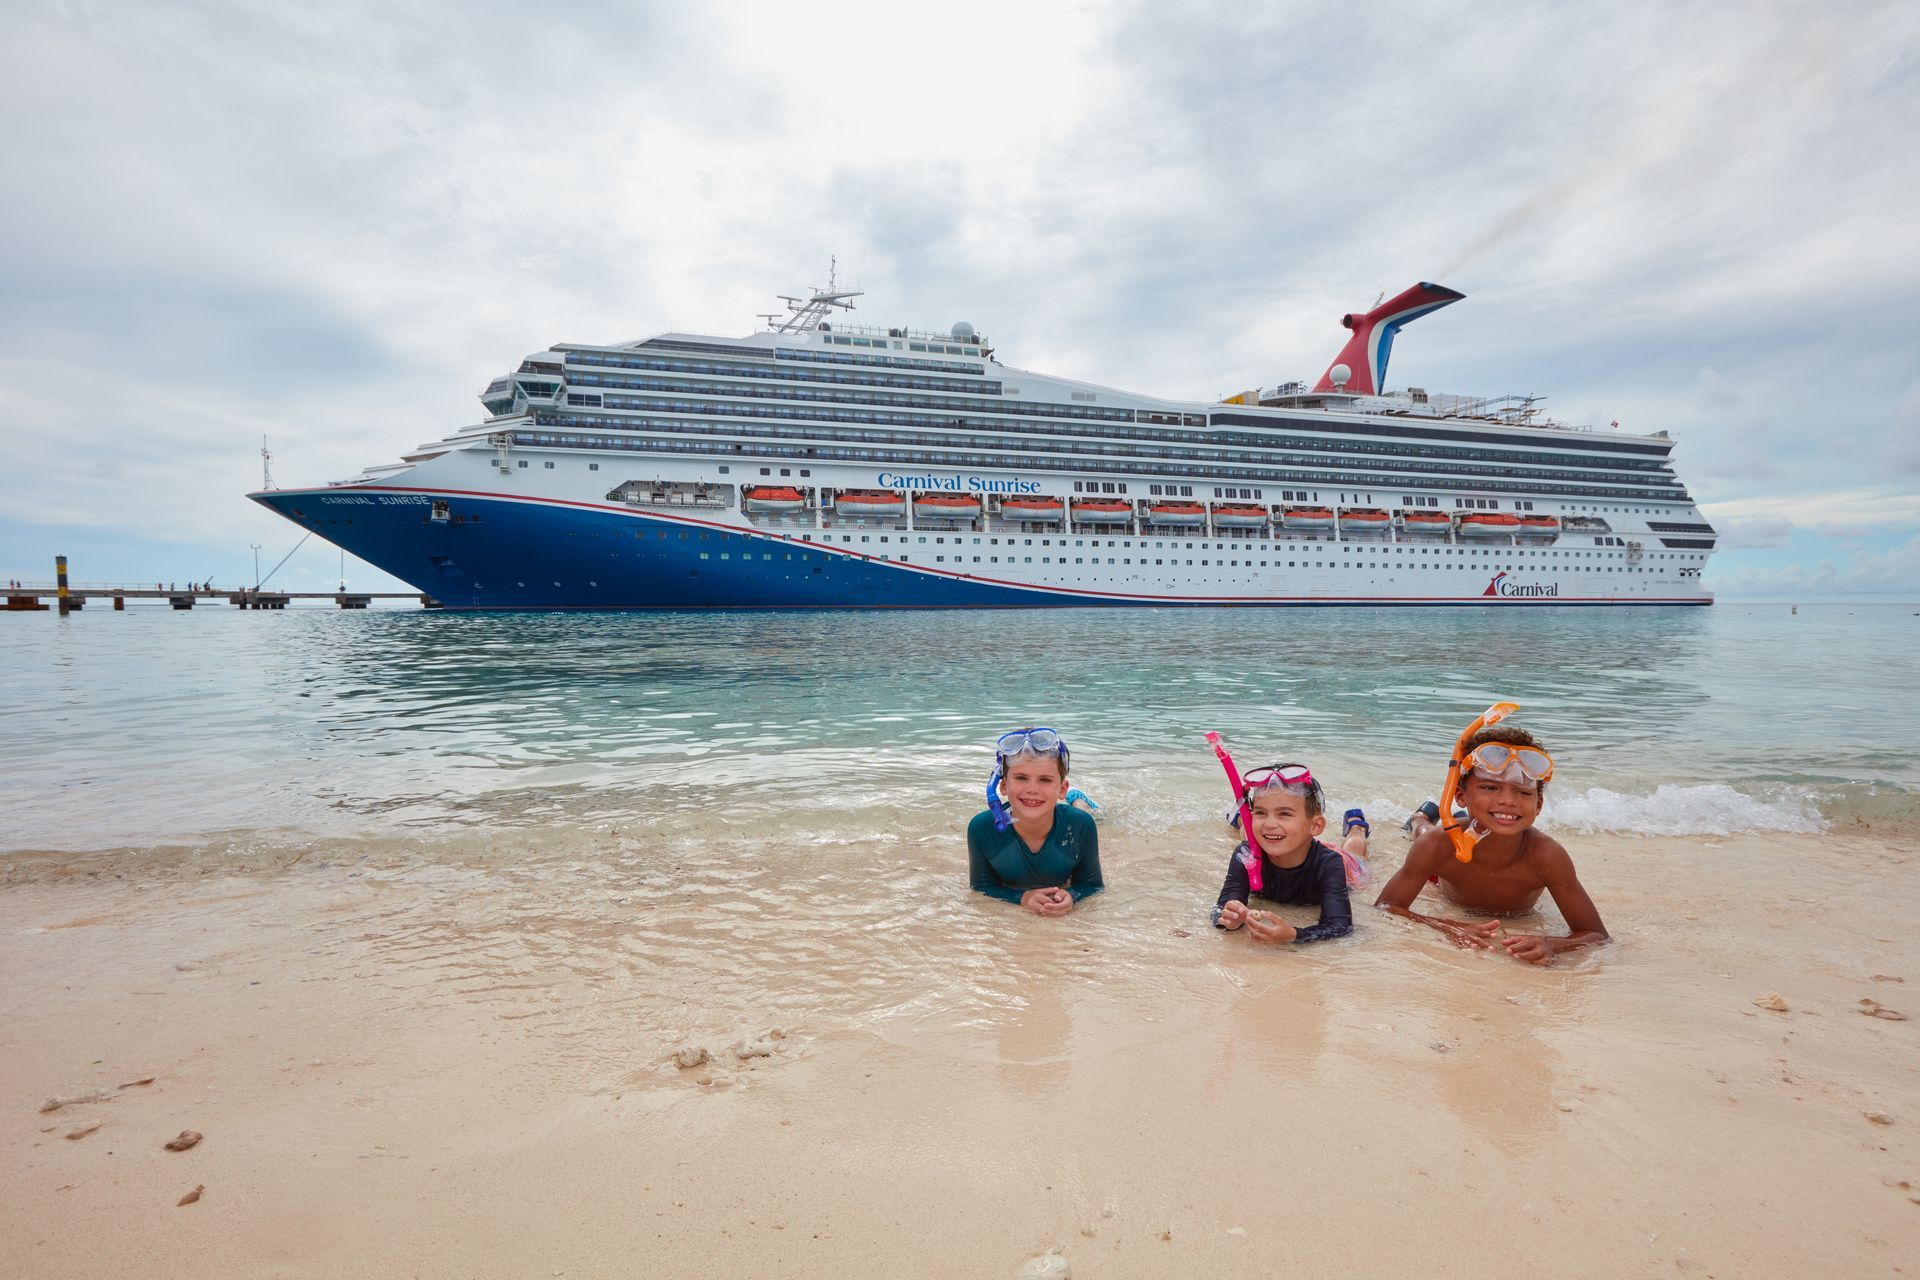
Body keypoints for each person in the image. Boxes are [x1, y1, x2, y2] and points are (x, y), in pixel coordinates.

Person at [1373, 723, 1608, 964]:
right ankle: (1419, 818)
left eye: (1523, 792)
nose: (1507, 801)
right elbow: (1386, 906)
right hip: (1444, 856)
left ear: (1538, 804)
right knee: (1425, 833)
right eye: (1489, 787)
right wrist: (1447, 925)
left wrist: (1553, 945)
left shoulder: (1547, 856)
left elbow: (1596, 934)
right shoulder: (1437, 846)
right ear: (1461, 796)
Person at [1211, 763, 1365, 944]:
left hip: (1349, 866)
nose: (1270, 822)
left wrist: (1294, 935)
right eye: (1260, 812)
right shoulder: (1246, 855)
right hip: (1281, 840)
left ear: (1316, 826)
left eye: (1284, 813)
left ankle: (1356, 826)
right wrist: (1228, 919)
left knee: (1354, 849)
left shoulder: (1330, 864)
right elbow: (1220, 909)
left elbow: (1340, 926)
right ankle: (1243, 819)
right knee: (1255, 834)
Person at [968, 727, 1103, 915]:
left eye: (1045, 780)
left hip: (1072, 814)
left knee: (1094, 816)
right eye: (1021, 778)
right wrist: (1022, 898)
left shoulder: (1081, 825)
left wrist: (1072, 896)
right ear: (1003, 785)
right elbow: (982, 887)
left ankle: (1077, 799)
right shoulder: (982, 828)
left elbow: (1092, 885)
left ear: (1061, 789)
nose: (1032, 789)